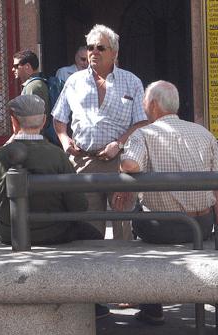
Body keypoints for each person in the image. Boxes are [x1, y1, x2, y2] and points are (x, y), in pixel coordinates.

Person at [119, 80, 218, 325]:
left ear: (154, 105)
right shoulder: (205, 133)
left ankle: (152, 307)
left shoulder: (144, 134)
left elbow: (131, 165)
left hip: (163, 227)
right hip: (202, 223)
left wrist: (121, 164)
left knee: (137, 214)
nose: (144, 106)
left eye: (145, 101)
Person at [51, 24, 148, 240]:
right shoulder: (74, 81)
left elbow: (141, 123)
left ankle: (125, 271)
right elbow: (58, 118)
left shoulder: (131, 82)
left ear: (114, 52)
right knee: (88, 230)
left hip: (120, 162)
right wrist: (65, 139)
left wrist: (119, 144)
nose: (93, 52)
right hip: (84, 161)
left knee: (123, 230)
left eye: (100, 48)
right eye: (90, 47)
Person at [0, 94, 103, 245]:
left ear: (14, 122)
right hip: (54, 232)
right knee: (93, 234)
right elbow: (79, 205)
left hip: (11, 234)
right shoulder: (57, 155)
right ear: (44, 121)